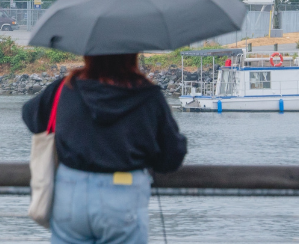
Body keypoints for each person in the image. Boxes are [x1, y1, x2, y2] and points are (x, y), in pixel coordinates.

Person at [23, 54, 187, 244]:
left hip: (71, 193)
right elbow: (171, 156)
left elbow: (30, 115)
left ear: (88, 56)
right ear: (132, 56)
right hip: (123, 194)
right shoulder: (147, 95)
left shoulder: (66, 88)